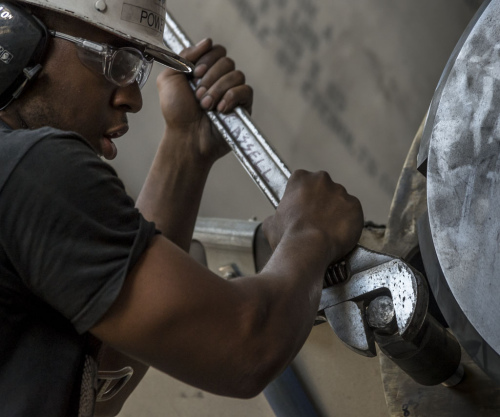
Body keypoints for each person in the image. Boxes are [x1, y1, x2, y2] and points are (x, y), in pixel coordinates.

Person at [0, 0, 364, 416]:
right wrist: (311, 230)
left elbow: (100, 382)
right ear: (18, 35)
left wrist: (187, 147)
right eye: (117, 60)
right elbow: (243, 347)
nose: (133, 98)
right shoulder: (32, 170)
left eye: (137, 67)